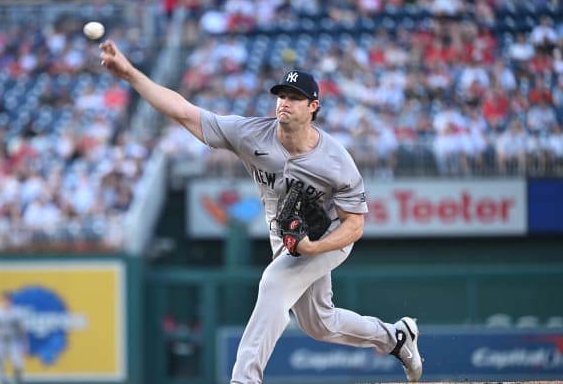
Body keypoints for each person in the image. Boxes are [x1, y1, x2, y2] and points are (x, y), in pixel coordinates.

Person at [99, 40, 423, 383]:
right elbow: (183, 111)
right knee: (319, 324)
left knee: (273, 282)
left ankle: (245, 379)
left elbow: (355, 226)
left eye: (295, 98)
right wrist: (131, 74)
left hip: (329, 236)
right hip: (286, 235)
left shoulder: (336, 161)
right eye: (282, 95)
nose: (285, 103)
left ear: (313, 106)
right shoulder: (252, 133)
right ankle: (396, 338)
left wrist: (313, 247)